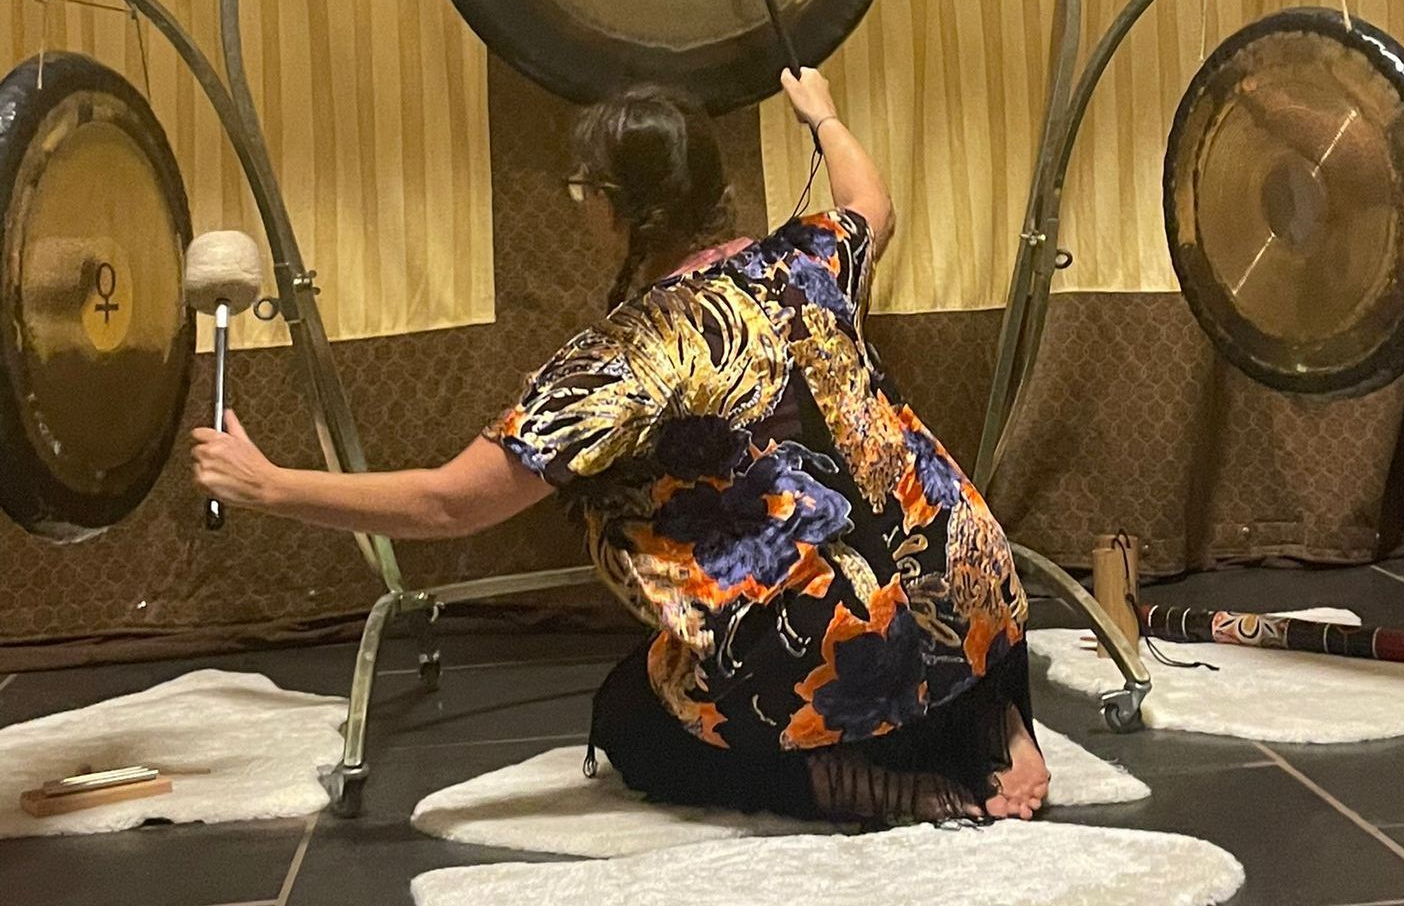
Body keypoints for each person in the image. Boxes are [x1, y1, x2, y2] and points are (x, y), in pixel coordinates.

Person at [191, 69, 1050, 826]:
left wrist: (268, 484)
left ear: (614, 205)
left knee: (636, 723)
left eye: (582, 191)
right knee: (933, 586)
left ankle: (854, 785)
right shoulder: (812, 254)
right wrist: (820, 115)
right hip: (975, 590)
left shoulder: (627, 355)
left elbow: (453, 503)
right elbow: (875, 201)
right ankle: (991, 722)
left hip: (832, 643)